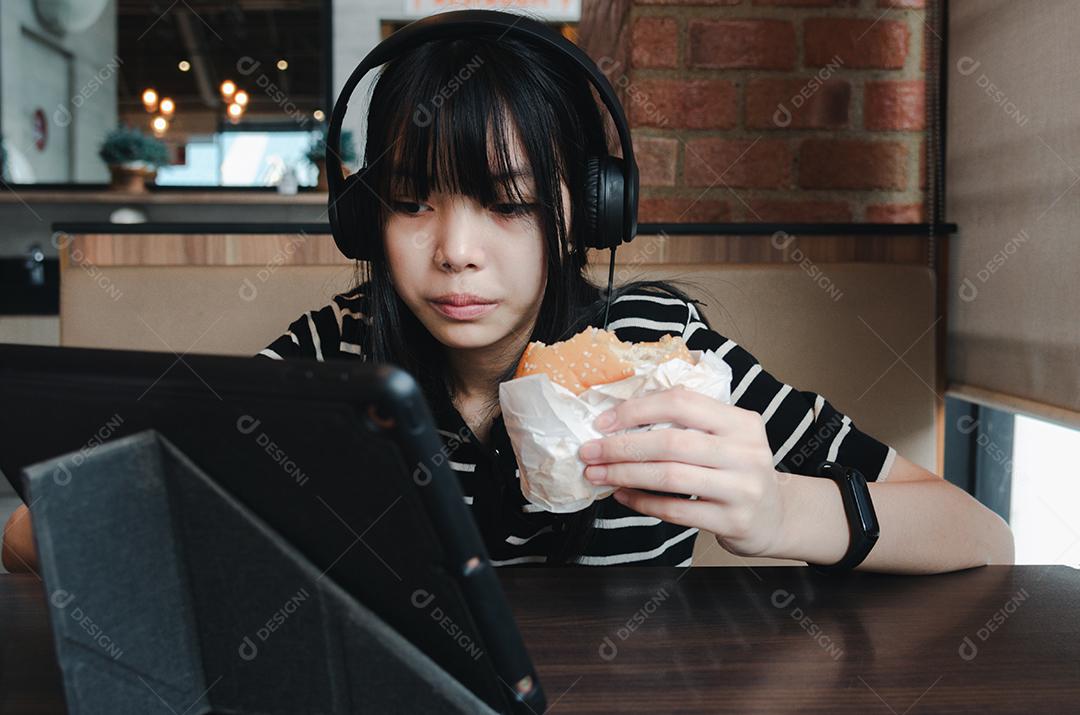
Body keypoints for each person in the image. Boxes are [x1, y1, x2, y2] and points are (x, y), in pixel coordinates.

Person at [2, 30, 1012, 575]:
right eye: (410, 202)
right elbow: (34, 537)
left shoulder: (663, 356)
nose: (454, 253)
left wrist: (779, 507)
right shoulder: (327, 365)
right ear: (364, 217)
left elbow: (978, 533)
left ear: (586, 211)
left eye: (508, 204)